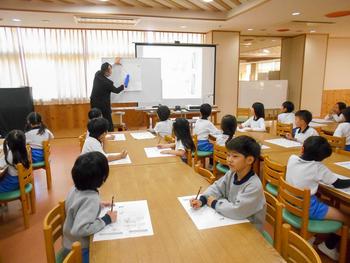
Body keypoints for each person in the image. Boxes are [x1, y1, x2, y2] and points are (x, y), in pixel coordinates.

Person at [286, 136, 350, 261]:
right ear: (322, 158)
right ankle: (328, 246)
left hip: (291, 202)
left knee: (326, 202)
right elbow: (338, 183)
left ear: (302, 149)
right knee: (346, 217)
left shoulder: (292, 158)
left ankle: (312, 237)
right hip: (308, 207)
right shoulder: (318, 168)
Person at [190, 135, 266, 231]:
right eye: (228, 155)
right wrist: (202, 200)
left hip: (249, 228)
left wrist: (214, 203)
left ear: (249, 160)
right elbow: (217, 187)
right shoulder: (231, 173)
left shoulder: (253, 186)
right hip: (233, 220)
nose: (229, 159)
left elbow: (238, 211)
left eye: (235, 156)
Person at [62, 152, 117, 263]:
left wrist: (99, 205)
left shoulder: (75, 188)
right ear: (102, 178)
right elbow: (80, 229)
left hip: (69, 242)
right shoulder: (91, 199)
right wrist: (106, 219)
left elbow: (76, 207)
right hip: (79, 251)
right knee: (111, 253)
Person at [90, 61, 125, 132]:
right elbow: (117, 90)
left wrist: (114, 63)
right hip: (103, 105)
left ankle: (96, 133)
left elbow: (105, 68)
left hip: (94, 103)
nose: (111, 71)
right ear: (106, 72)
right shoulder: (107, 83)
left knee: (95, 120)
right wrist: (124, 86)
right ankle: (111, 134)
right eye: (110, 70)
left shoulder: (97, 74)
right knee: (108, 121)